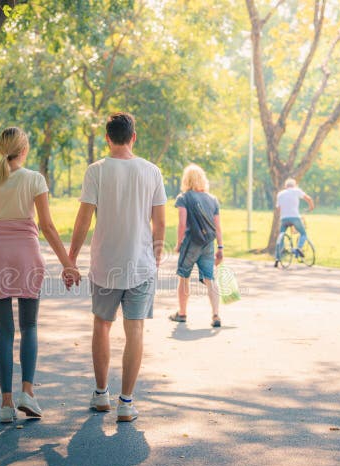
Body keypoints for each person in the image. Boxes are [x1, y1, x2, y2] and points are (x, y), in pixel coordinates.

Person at [0, 127, 80, 424]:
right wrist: (67, 263)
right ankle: (27, 393)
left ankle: (6, 404)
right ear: (24, 149)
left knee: (4, 332)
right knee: (29, 326)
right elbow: (47, 227)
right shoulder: (35, 179)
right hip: (26, 255)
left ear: (0, 148)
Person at [68, 112, 167, 423]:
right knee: (135, 328)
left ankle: (101, 395)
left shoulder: (96, 171)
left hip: (105, 263)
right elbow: (160, 220)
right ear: (133, 137)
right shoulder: (152, 171)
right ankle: (126, 402)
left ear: (107, 138)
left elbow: (83, 219)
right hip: (140, 263)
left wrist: (70, 259)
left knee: (102, 325)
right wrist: (157, 252)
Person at [169, 164, 224, 327]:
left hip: (191, 243)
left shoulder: (184, 197)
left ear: (186, 179)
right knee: (210, 278)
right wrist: (220, 247)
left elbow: (182, 223)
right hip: (208, 243)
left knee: (184, 277)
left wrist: (179, 244)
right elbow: (218, 227)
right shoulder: (212, 199)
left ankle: (182, 313)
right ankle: (215, 315)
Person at [274, 178, 314, 268]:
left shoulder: (280, 194)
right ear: (295, 185)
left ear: (285, 186)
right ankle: (298, 248)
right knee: (303, 233)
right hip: (295, 217)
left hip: (284, 218)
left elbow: (278, 208)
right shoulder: (296, 191)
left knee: (281, 236)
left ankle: (277, 258)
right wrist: (311, 207)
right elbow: (309, 199)